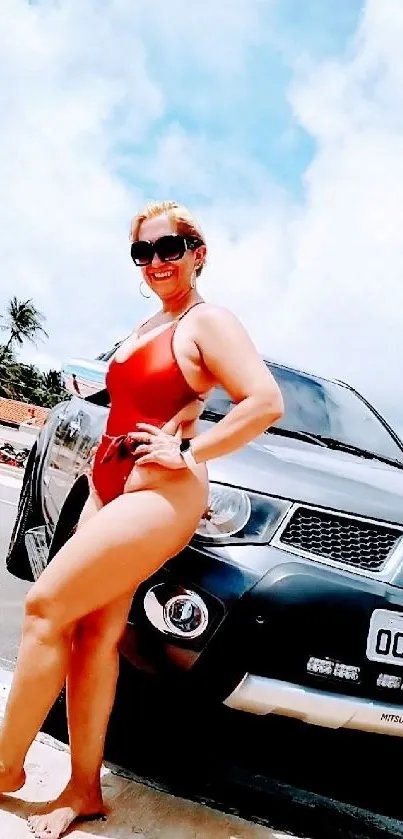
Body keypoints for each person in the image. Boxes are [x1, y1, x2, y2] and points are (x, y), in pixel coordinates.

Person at [0, 200, 284, 839]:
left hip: (160, 495)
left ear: (198, 252)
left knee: (45, 607)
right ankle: (83, 789)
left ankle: (5, 767)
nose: (155, 261)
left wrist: (188, 449)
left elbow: (264, 400)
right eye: (142, 252)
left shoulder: (208, 320)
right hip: (109, 488)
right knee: (92, 635)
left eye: (169, 247)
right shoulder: (152, 322)